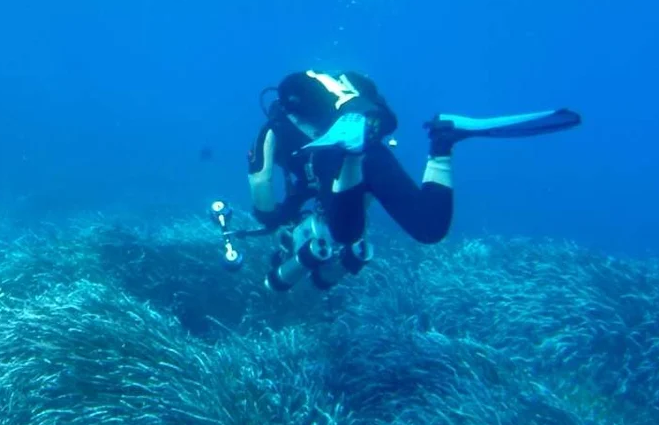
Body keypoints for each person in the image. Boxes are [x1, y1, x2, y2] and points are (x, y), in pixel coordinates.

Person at [235, 69, 579, 291]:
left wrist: (271, 218)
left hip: (334, 153)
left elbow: (261, 183)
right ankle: (443, 138)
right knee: (428, 228)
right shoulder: (347, 83)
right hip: (372, 149)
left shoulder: (274, 127)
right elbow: (387, 120)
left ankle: (350, 152)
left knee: (345, 232)